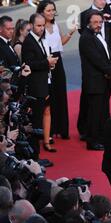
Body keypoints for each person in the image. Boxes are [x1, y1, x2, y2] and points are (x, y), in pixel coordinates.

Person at [77, 0, 111, 141]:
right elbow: (95, 57)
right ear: (89, 22)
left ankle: (99, 134)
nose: (99, 24)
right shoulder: (87, 35)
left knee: (102, 107)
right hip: (96, 75)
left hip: (106, 71)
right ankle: (90, 135)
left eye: (100, 22)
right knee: (93, 107)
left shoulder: (109, 18)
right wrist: (110, 70)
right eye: (96, 22)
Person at [37, 1, 76, 141]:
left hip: (58, 61)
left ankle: (62, 129)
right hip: (46, 61)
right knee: (49, 94)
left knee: (60, 92)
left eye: (53, 10)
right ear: (41, 12)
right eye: (48, 10)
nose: (52, 12)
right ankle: (49, 130)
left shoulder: (56, 25)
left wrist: (70, 33)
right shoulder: (38, 27)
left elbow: (59, 43)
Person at [22, 13, 59, 156]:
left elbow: (40, 62)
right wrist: (46, 63)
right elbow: (29, 64)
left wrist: (49, 65)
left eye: (43, 25)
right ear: (31, 25)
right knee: (35, 124)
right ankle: (35, 157)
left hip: (42, 85)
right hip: (35, 89)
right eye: (38, 25)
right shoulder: (29, 42)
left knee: (37, 123)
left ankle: (36, 156)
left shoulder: (39, 40)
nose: (42, 28)